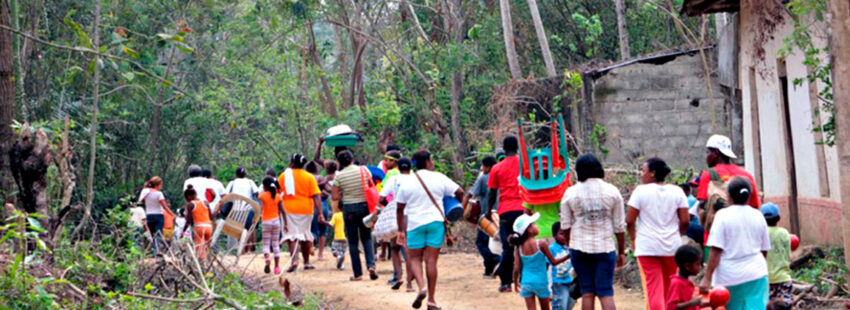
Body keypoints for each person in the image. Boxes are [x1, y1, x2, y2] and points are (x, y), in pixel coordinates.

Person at [395, 150, 464, 310]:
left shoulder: (407, 181)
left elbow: (399, 208)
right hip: (435, 223)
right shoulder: (439, 177)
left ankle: (421, 287)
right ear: (427, 162)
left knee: (414, 259)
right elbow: (459, 192)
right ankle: (431, 300)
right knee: (431, 261)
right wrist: (454, 207)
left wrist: (400, 230)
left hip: (415, 224)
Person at [559, 153, 625, 310]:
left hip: (579, 247)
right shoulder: (613, 191)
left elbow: (566, 225)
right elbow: (619, 227)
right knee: (605, 292)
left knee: (587, 292)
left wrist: (571, 245)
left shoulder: (570, 193)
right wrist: (621, 252)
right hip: (605, 247)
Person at [625, 158, 690, 310]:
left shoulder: (640, 191)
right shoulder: (677, 191)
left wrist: (634, 239)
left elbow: (629, 220)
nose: (641, 174)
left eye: (643, 171)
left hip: (647, 247)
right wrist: (676, 234)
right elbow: (685, 221)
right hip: (671, 247)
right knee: (669, 288)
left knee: (653, 290)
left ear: (652, 173)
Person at [700, 177, 771, 310]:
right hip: (757, 274)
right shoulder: (758, 215)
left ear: (728, 196)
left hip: (729, 277)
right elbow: (764, 249)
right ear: (749, 196)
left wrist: (707, 277)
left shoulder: (722, 216)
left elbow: (716, 250)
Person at [488, 136, 528, 292]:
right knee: (525, 245)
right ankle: (525, 280)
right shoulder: (525, 164)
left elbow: (492, 192)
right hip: (523, 208)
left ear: (504, 149)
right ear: (517, 148)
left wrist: (488, 210)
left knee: (507, 247)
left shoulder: (497, 168)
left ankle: (506, 283)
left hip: (505, 211)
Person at [332, 150, 378, 281]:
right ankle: (371, 265)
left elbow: (335, 196)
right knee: (366, 237)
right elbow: (371, 186)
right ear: (352, 159)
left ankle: (357, 274)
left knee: (352, 241)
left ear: (340, 162)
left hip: (349, 209)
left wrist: (344, 193)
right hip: (364, 207)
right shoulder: (364, 171)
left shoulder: (339, 176)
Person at [510, 213, 570, 310]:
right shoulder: (541, 243)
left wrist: (516, 283)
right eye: (534, 224)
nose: (537, 226)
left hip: (526, 283)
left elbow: (516, 268)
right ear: (529, 230)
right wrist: (567, 256)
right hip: (541, 282)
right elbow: (553, 262)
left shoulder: (519, 247)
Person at [279, 154, 324, 272]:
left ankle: (294, 261)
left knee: (292, 236)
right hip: (306, 210)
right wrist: (320, 212)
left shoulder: (284, 176)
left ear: (291, 162)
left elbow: (278, 194)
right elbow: (316, 195)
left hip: (288, 209)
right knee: (305, 235)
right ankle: (307, 262)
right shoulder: (309, 177)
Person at [697, 134, 761, 209]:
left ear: (716, 153)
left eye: (707, 152)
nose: (706, 157)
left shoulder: (708, 174)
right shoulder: (746, 175)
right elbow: (755, 205)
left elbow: (702, 206)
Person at [462, 156, 500, 276]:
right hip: (501, 214)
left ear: (488, 167)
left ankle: (494, 261)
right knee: (499, 242)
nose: (482, 168)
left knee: (481, 242)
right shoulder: (502, 175)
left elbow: (470, 194)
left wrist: (461, 208)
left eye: (483, 166)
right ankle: (490, 268)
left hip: (487, 216)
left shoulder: (483, 178)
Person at [378, 155, 411, 290]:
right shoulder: (415, 179)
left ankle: (399, 277)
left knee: (395, 248)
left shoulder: (393, 179)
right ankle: (410, 282)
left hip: (398, 216)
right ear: (410, 168)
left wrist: (389, 204)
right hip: (413, 216)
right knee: (409, 249)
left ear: (397, 166)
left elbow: (381, 198)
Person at [762, 203, 793, 309]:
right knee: (783, 306)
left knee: (768, 306)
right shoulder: (784, 233)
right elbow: (788, 255)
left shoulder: (762, 232)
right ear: (779, 218)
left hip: (766, 279)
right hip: (784, 278)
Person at [258, 176, 286, 275]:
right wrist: (286, 224)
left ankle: (267, 260)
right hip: (276, 221)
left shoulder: (262, 196)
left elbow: (260, 209)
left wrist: (256, 219)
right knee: (275, 243)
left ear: (264, 186)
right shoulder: (278, 196)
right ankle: (277, 267)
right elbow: (283, 211)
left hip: (266, 221)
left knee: (266, 243)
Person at [666, 245, 709, 310]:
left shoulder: (688, 282)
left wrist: (710, 302)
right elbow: (671, 307)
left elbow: (693, 305)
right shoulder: (676, 283)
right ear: (687, 266)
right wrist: (692, 303)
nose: (700, 267)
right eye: (697, 264)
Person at [142, 176, 174, 255]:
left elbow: (142, 201)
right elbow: (164, 206)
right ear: (157, 185)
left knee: (152, 234)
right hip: (159, 216)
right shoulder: (159, 194)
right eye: (161, 185)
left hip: (149, 215)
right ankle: (157, 251)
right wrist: (172, 214)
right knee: (158, 234)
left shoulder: (145, 192)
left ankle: (152, 251)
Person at [181, 185, 216, 260]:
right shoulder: (205, 202)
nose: (186, 200)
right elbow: (211, 217)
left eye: (186, 198)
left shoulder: (190, 204)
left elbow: (188, 221)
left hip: (199, 228)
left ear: (189, 196)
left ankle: (201, 263)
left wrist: (183, 231)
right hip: (209, 227)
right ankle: (208, 261)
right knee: (207, 247)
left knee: (199, 248)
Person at [306, 161, 330, 261]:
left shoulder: (306, 177)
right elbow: (329, 189)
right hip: (323, 204)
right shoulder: (320, 178)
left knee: (311, 229)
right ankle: (320, 254)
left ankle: (311, 244)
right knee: (323, 230)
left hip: (311, 205)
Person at [550, 222, 577, 310]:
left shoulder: (570, 247)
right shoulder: (552, 249)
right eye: (561, 233)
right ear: (554, 236)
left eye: (566, 233)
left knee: (569, 304)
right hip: (558, 282)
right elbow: (547, 266)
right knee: (560, 306)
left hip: (570, 281)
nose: (565, 236)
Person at [328, 204, 347, 270]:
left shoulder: (336, 215)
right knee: (342, 252)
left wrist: (324, 222)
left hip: (337, 237)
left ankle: (338, 257)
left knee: (335, 251)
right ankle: (342, 264)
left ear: (338, 208)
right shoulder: (346, 215)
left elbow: (330, 224)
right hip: (345, 238)